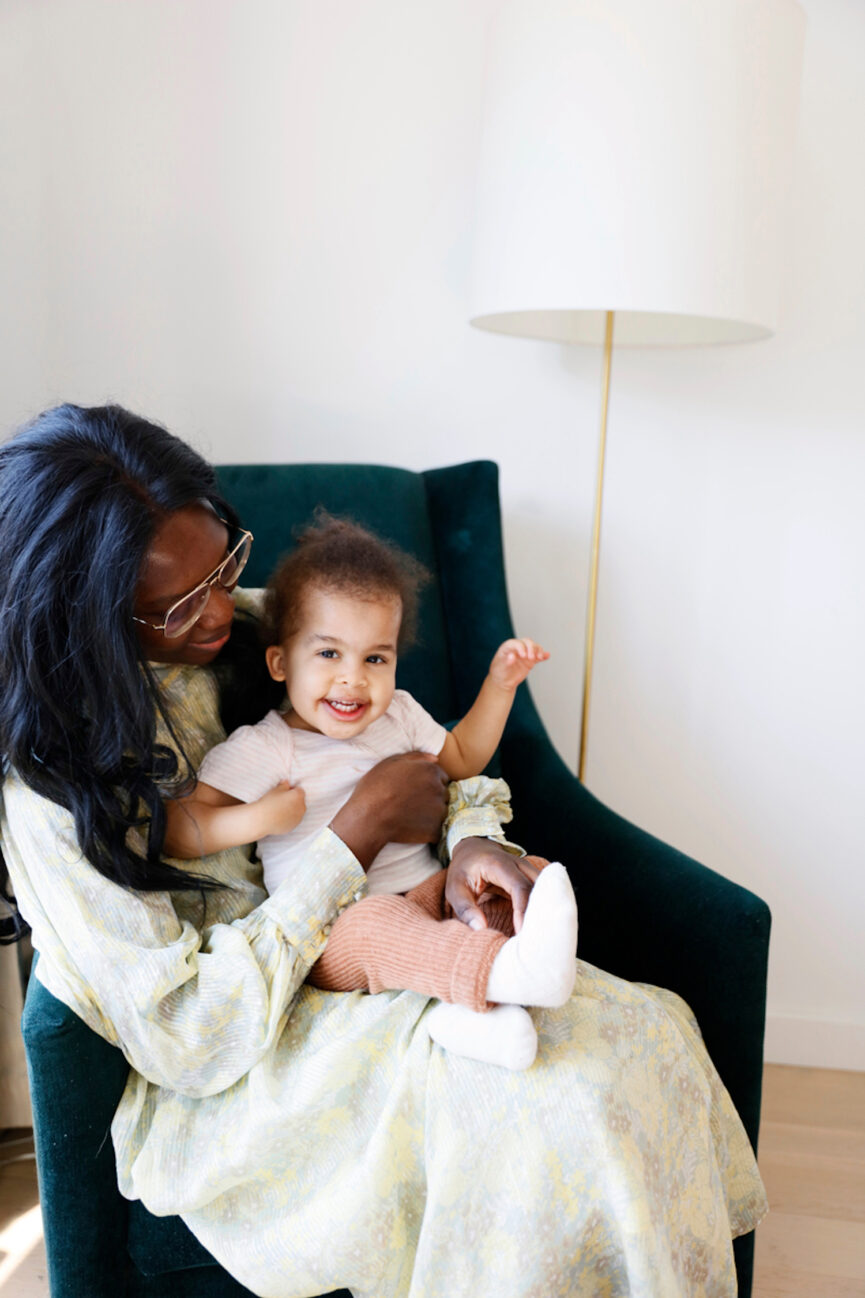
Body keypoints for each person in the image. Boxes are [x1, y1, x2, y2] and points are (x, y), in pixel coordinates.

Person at [0, 403, 768, 1298]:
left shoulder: (259, 634)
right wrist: (352, 833)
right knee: (540, 1112)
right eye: (176, 603)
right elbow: (190, 1037)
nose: (222, 612)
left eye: (226, 567)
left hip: (397, 948)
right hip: (253, 1060)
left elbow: (419, 750)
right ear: (84, 618)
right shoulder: (53, 788)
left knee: (645, 1036)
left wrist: (473, 836)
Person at [162, 514, 577, 1072]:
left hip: (428, 896)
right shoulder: (268, 746)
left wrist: (500, 688)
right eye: (329, 654)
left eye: (375, 658)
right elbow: (182, 827)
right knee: (379, 929)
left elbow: (460, 758)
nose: (353, 679)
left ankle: (460, 1015)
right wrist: (259, 818)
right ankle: (502, 973)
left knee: (516, 880)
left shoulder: (400, 715)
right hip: (337, 932)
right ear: (281, 662)